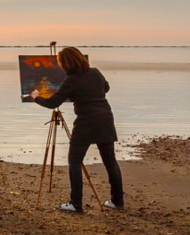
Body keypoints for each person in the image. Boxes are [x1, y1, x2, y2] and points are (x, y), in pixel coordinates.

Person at [30, 46, 124, 213]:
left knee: (74, 161)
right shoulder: (95, 72)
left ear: (65, 64)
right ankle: (117, 201)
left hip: (86, 122)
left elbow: (52, 103)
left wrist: (36, 98)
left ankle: (76, 203)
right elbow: (106, 88)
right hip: (105, 118)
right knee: (110, 161)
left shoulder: (71, 79)